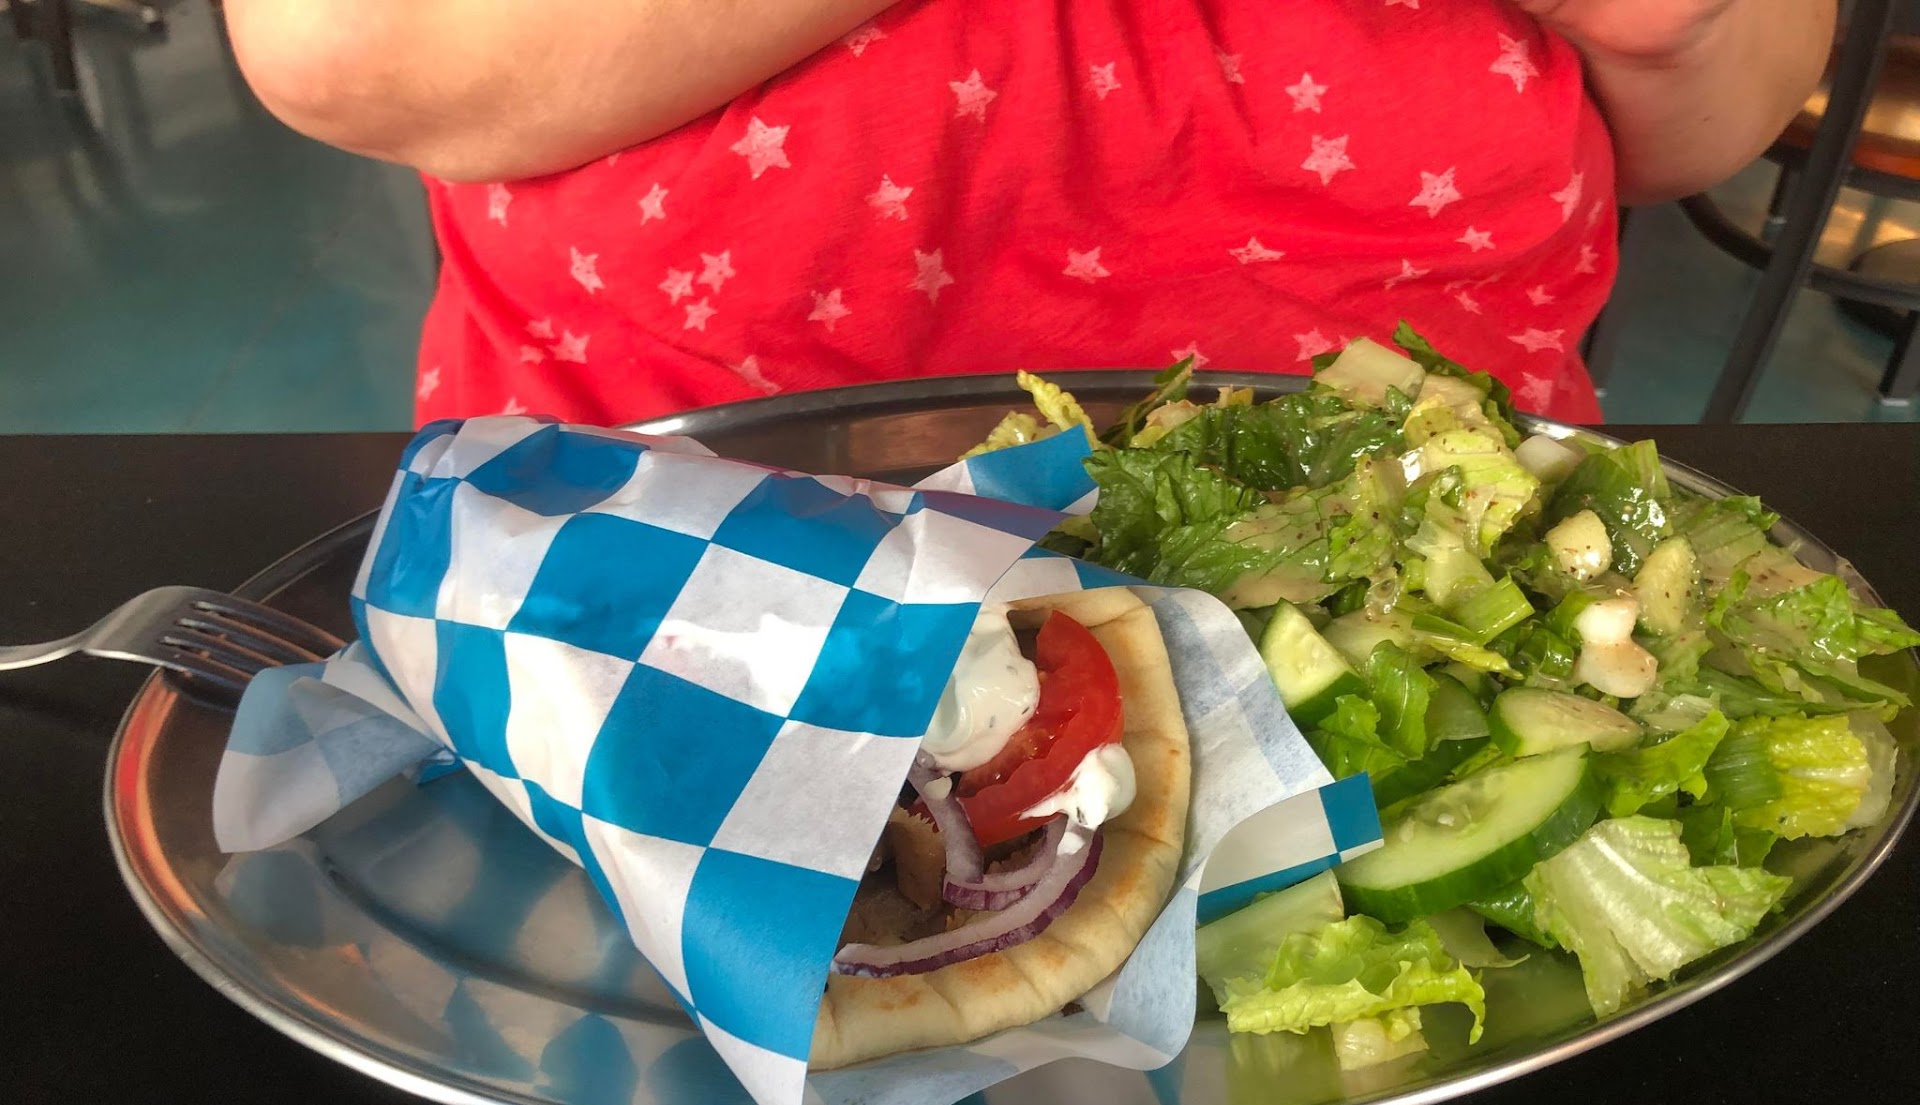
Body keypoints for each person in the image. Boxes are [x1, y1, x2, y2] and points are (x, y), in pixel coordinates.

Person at [224, 0, 1833, 428]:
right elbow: (352, 47)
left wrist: (1668, 27)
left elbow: (1712, 108)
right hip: (689, 657)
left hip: (1439, 628)